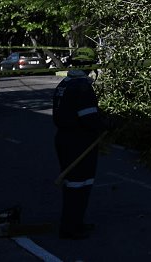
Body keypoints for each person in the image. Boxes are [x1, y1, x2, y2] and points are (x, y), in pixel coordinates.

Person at [53, 47, 110, 240]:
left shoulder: (65, 83)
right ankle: (71, 227)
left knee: (74, 184)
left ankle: (74, 222)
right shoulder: (82, 87)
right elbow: (88, 118)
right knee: (79, 184)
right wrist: (105, 125)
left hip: (65, 138)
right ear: (87, 65)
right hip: (78, 140)